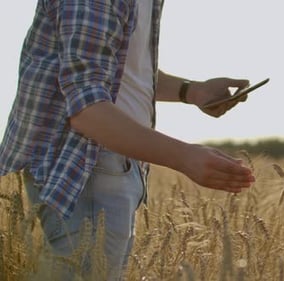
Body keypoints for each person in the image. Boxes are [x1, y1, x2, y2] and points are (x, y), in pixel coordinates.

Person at [0, 0, 255, 279]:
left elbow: (114, 65)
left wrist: (191, 91)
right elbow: (87, 110)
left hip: (112, 163)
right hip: (84, 165)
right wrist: (185, 157)